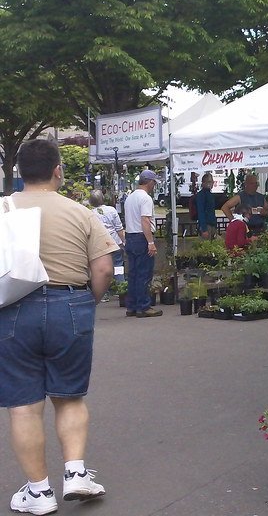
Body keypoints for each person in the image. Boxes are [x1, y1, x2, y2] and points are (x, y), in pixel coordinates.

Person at [1, 139, 117, 515]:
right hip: (70, 304)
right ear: (57, 170)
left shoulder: (3, 210)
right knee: (69, 396)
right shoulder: (81, 213)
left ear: (19, 171)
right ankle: (76, 473)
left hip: (14, 311)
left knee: (23, 405)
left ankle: (38, 493)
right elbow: (102, 269)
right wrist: (86, 302)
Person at [123, 170, 162, 318]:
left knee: (133, 274)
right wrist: (150, 242)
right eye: (153, 182)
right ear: (149, 182)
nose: (154, 185)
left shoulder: (130, 198)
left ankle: (131, 305)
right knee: (144, 274)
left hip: (130, 236)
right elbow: (145, 220)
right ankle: (143, 306)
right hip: (142, 237)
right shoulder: (145, 199)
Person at [88, 190, 125, 301]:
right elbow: (119, 228)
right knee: (118, 266)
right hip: (114, 241)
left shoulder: (89, 213)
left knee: (101, 269)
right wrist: (123, 241)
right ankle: (121, 290)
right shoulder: (111, 210)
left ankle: (104, 294)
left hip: (99, 244)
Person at [194, 173, 217, 240]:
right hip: (206, 225)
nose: (211, 183)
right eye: (209, 181)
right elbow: (201, 212)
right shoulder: (201, 195)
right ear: (203, 183)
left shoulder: (210, 194)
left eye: (212, 181)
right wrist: (204, 229)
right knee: (206, 246)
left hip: (212, 224)